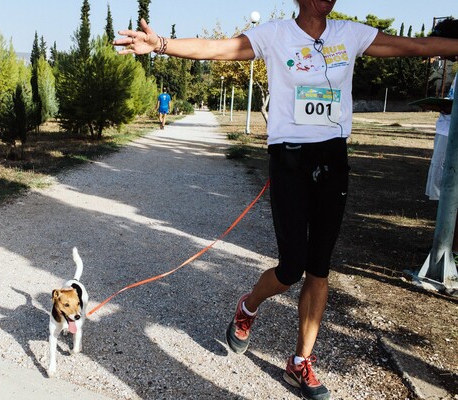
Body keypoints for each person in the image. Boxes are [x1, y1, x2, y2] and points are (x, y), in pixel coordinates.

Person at [114, 1, 458, 399]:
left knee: (320, 267)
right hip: (289, 159)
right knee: (292, 266)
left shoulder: (350, 34)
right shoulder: (275, 35)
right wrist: (161, 44)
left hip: (333, 158)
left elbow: (411, 46)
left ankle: (300, 363)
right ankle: (248, 306)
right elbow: (219, 48)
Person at [425, 18, 458, 263]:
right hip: (447, 131)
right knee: (443, 189)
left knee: (451, 190)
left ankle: (451, 250)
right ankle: (445, 247)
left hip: (452, 137)